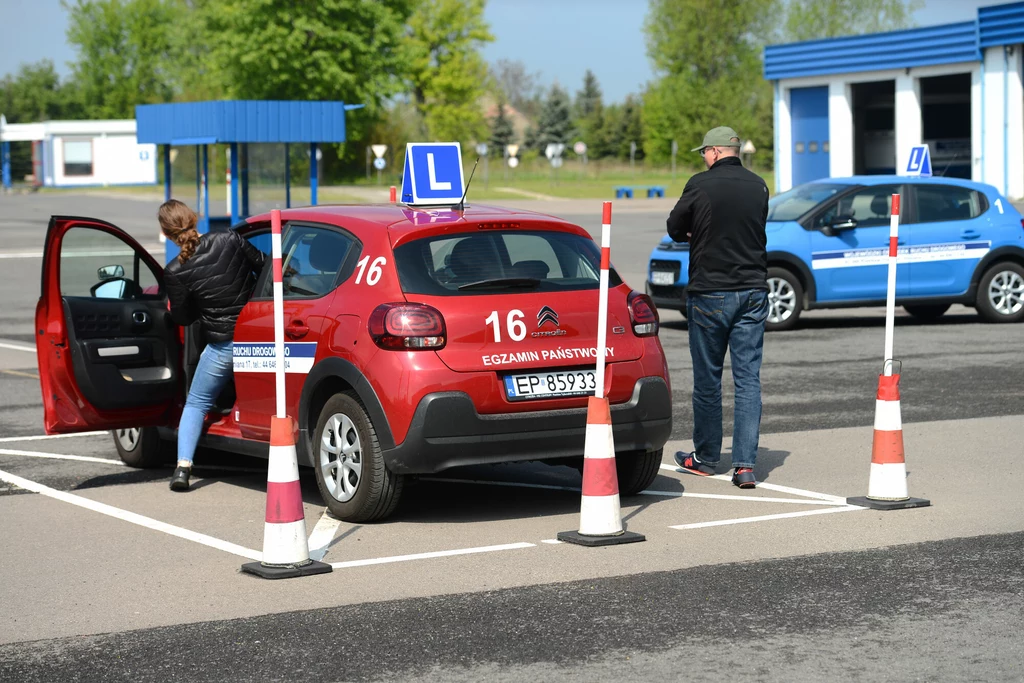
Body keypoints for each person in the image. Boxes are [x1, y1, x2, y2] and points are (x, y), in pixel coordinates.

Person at [666, 126, 770, 489]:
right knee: (747, 380)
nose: (704, 158)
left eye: (704, 153)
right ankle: (744, 466)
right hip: (753, 291)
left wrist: (694, 230)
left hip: (711, 291)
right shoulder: (759, 185)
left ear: (713, 151)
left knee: (709, 379)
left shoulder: (700, 184)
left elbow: (675, 226)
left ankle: (707, 458)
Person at [159, 199, 266, 491]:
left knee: (196, 403)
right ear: (194, 218)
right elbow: (264, 265)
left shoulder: (174, 270)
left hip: (223, 346)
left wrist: (202, 308)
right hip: (259, 338)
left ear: (167, 233)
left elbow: (182, 317)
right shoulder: (228, 238)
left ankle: (182, 468)